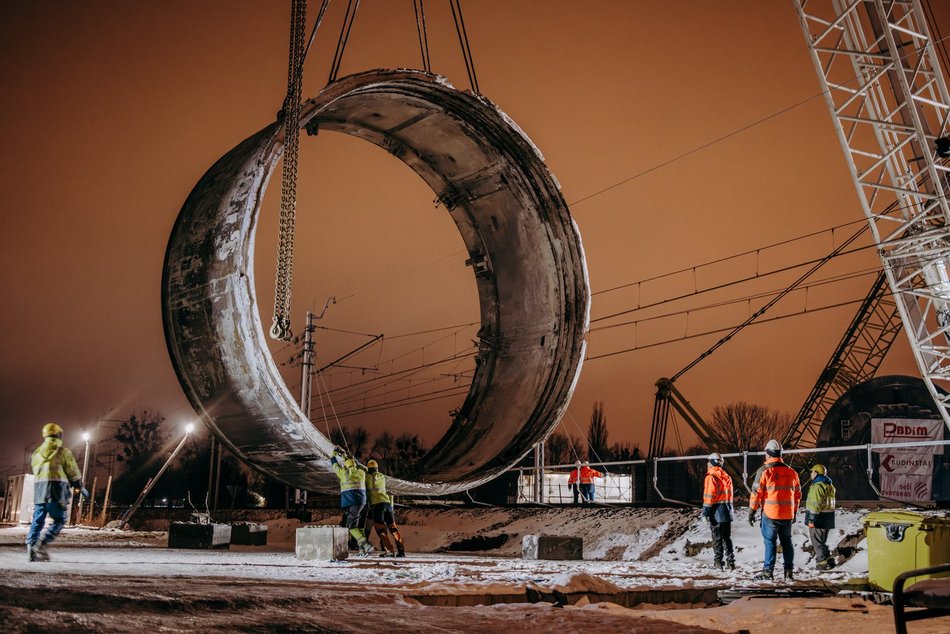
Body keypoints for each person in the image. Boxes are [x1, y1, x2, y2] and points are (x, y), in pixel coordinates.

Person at [27, 422, 88, 562]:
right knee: (60, 519)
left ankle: (31, 546)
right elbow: (72, 471)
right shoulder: (63, 452)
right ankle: (41, 545)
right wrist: (79, 484)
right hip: (57, 490)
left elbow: (35, 471)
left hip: (39, 491)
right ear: (60, 435)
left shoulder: (36, 453)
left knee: (37, 520)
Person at [749, 439, 801, 581]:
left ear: (769, 454)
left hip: (771, 514)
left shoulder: (764, 471)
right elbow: (797, 494)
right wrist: (794, 511)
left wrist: (752, 511)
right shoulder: (792, 472)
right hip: (787, 515)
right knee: (787, 543)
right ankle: (788, 573)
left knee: (770, 543)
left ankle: (768, 572)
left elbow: (756, 493)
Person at [330, 450, 373, 556]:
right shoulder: (361, 473)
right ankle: (362, 550)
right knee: (358, 526)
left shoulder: (344, 473)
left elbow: (335, 466)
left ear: (346, 465)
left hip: (352, 502)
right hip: (362, 503)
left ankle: (365, 543)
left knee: (351, 527)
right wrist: (347, 458)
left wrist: (333, 456)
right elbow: (361, 468)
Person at [365, 459, 406, 557]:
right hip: (387, 504)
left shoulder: (366, 478)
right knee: (393, 529)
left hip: (378, 506)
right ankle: (401, 551)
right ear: (377, 469)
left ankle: (389, 551)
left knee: (380, 530)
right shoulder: (382, 477)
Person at [701, 452, 735, 570]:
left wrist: (705, 513)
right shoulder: (727, 477)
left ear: (712, 462)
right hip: (727, 511)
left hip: (716, 513)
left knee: (717, 539)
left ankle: (718, 563)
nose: (707, 464)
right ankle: (731, 562)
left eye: (708, 461)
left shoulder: (711, 477)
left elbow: (709, 496)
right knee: (727, 538)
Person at [805, 463, 836, 570]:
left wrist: (812, 519)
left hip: (818, 518)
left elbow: (815, 504)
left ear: (816, 473)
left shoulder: (817, 486)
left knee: (816, 542)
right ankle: (829, 559)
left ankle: (822, 562)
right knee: (821, 541)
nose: (811, 474)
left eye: (812, 471)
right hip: (827, 517)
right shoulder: (828, 485)